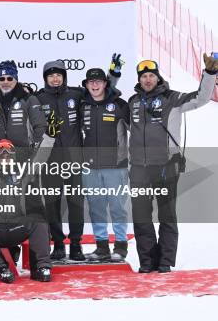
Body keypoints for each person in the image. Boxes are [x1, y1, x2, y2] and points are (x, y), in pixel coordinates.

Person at [128, 56, 218, 273]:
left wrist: (210, 74)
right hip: (139, 169)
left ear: (158, 78)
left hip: (166, 166)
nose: (148, 80)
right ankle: (148, 261)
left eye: (151, 75)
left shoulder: (172, 98)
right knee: (141, 218)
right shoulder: (133, 102)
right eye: (144, 76)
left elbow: (201, 98)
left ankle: (165, 262)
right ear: (139, 80)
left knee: (167, 217)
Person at [35, 56, 121, 262]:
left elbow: (100, 90)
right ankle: (57, 245)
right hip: (50, 161)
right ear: (45, 78)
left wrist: (113, 75)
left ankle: (75, 245)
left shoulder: (76, 93)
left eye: (59, 75)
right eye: (51, 76)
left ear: (64, 77)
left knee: (75, 204)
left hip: (74, 160)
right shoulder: (38, 98)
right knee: (52, 204)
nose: (55, 79)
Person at [0, 110, 53, 282]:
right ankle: (0, 269)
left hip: (16, 226)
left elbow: (40, 159)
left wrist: (49, 137)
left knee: (38, 222)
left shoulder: (22, 173)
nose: (5, 157)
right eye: (0, 154)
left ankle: (41, 266)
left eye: (8, 154)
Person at [79, 68, 130, 262]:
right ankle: (102, 247)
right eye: (90, 82)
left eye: (98, 81)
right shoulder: (82, 106)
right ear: (86, 85)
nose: (94, 85)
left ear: (105, 83)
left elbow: (138, 128)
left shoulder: (119, 105)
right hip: (90, 167)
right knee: (96, 207)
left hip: (116, 166)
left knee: (117, 207)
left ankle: (121, 245)